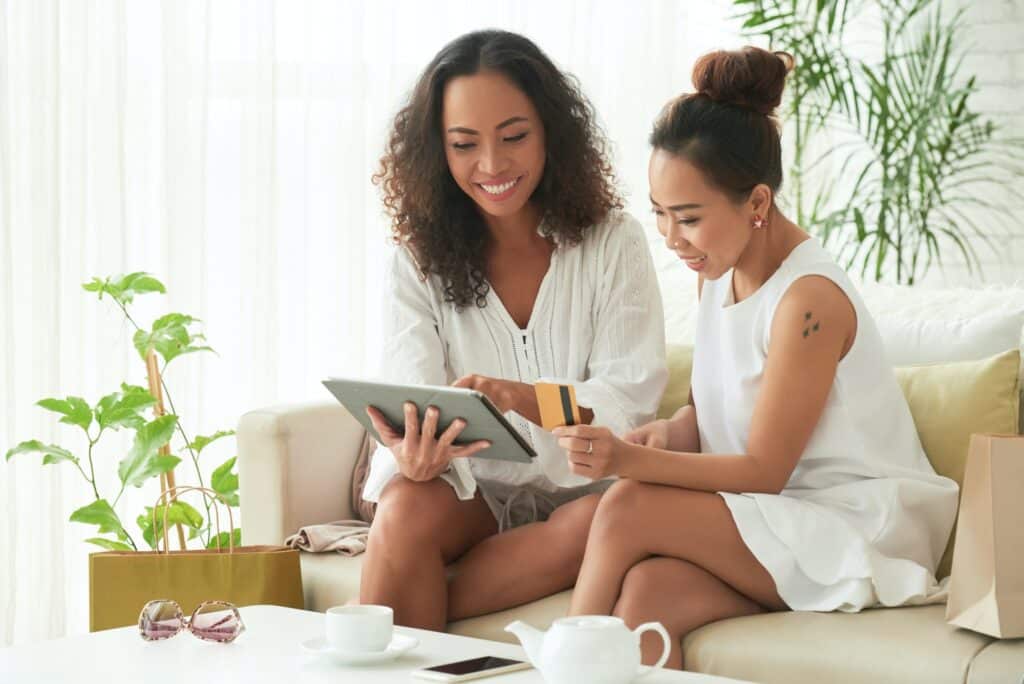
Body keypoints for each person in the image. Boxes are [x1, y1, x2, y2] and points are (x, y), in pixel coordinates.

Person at [554, 46, 959, 670]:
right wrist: (668, 435)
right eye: (660, 215)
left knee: (627, 503)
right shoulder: (715, 267)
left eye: (687, 218)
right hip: (776, 519)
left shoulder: (808, 303)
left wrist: (628, 460)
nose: (671, 240)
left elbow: (764, 468)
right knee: (647, 597)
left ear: (758, 204)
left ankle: (554, 668)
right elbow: (707, 411)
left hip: (851, 523)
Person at [358, 29, 668, 631]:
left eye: (514, 137)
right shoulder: (417, 260)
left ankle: (370, 618)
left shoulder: (613, 243)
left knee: (602, 522)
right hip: (469, 496)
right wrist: (413, 453)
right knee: (402, 510)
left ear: (552, 130)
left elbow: (628, 401)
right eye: (464, 144)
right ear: (436, 152)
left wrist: (523, 398)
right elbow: (412, 390)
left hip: (584, 500)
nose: (492, 165)